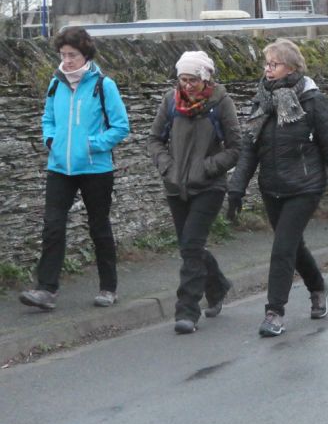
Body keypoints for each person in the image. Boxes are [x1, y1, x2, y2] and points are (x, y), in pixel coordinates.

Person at [227, 38, 328, 337]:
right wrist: (236, 189)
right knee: (293, 246)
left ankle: (274, 312)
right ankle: (318, 287)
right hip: (272, 186)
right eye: (267, 64)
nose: (268, 70)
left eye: (275, 64)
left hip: (305, 186)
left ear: (292, 68)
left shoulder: (312, 100)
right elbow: (250, 148)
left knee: (282, 248)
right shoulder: (262, 99)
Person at [19, 27, 129, 311]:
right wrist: (51, 140)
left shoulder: (103, 85)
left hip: (95, 168)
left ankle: (108, 288)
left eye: (73, 55)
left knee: (99, 227)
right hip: (60, 167)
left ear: (86, 55)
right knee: (52, 226)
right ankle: (46, 290)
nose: (66, 61)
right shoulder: (55, 84)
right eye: (63, 55)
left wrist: (92, 145)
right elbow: (48, 119)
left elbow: (120, 127)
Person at [148, 51, 241, 334]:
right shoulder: (170, 101)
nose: (187, 86)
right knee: (190, 246)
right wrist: (168, 167)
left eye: (193, 80)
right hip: (176, 186)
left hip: (209, 186)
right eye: (183, 80)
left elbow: (235, 148)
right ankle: (218, 286)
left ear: (206, 79)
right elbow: (155, 140)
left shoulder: (220, 103)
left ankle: (187, 310)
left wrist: (207, 167)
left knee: (190, 246)